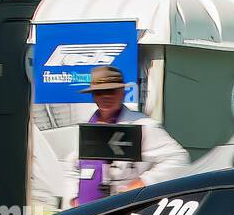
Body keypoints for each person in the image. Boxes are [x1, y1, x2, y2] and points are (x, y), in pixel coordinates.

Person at [65, 66, 189, 207]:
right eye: (100, 92)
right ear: (93, 96)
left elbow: (179, 158)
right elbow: (73, 166)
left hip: (123, 213)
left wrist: (142, 183)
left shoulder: (143, 126)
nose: (106, 96)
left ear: (122, 92)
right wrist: (73, 198)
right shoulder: (87, 126)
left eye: (111, 91)